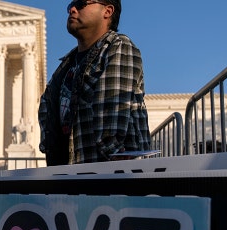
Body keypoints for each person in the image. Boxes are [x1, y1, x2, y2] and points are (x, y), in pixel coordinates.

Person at [38, 0, 151, 165]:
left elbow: (112, 103)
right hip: (70, 173)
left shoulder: (117, 46)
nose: (73, 10)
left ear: (107, 11)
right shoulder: (66, 66)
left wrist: (113, 150)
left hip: (112, 173)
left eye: (82, 4)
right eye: (70, 6)